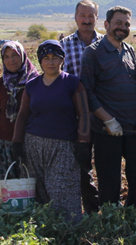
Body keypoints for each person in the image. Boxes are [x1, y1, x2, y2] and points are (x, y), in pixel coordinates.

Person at [11, 41, 92, 222]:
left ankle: (69, 233)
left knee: (62, 191)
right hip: (33, 146)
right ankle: (42, 233)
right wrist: (17, 142)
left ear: (62, 60)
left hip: (63, 147)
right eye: (46, 58)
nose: (51, 62)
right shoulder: (32, 86)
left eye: (55, 58)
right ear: (40, 61)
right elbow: (23, 115)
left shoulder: (73, 83)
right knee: (38, 192)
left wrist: (83, 142)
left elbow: (84, 115)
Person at [81, 6, 136, 207]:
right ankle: (111, 222)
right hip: (107, 131)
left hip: (133, 128)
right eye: (118, 23)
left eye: (127, 24)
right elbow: (87, 91)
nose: (123, 27)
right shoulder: (92, 53)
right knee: (109, 180)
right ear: (106, 25)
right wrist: (108, 120)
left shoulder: (129, 50)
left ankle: (132, 213)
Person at [60, 0, 104, 213]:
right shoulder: (63, 46)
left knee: (106, 164)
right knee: (81, 165)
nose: (87, 20)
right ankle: (90, 211)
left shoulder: (107, 43)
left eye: (91, 16)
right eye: (83, 15)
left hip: (105, 115)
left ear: (97, 18)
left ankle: (108, 208)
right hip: (76, 117)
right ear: (75, 17)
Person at [0, 41, 39, 180]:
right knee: (8, 187)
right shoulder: (0, 84)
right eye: (6, 57)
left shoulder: (35, 82)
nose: (10, 60)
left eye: (14, 55)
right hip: (3, 143)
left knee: (30, 186)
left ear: (23, 56)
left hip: (28, 141)